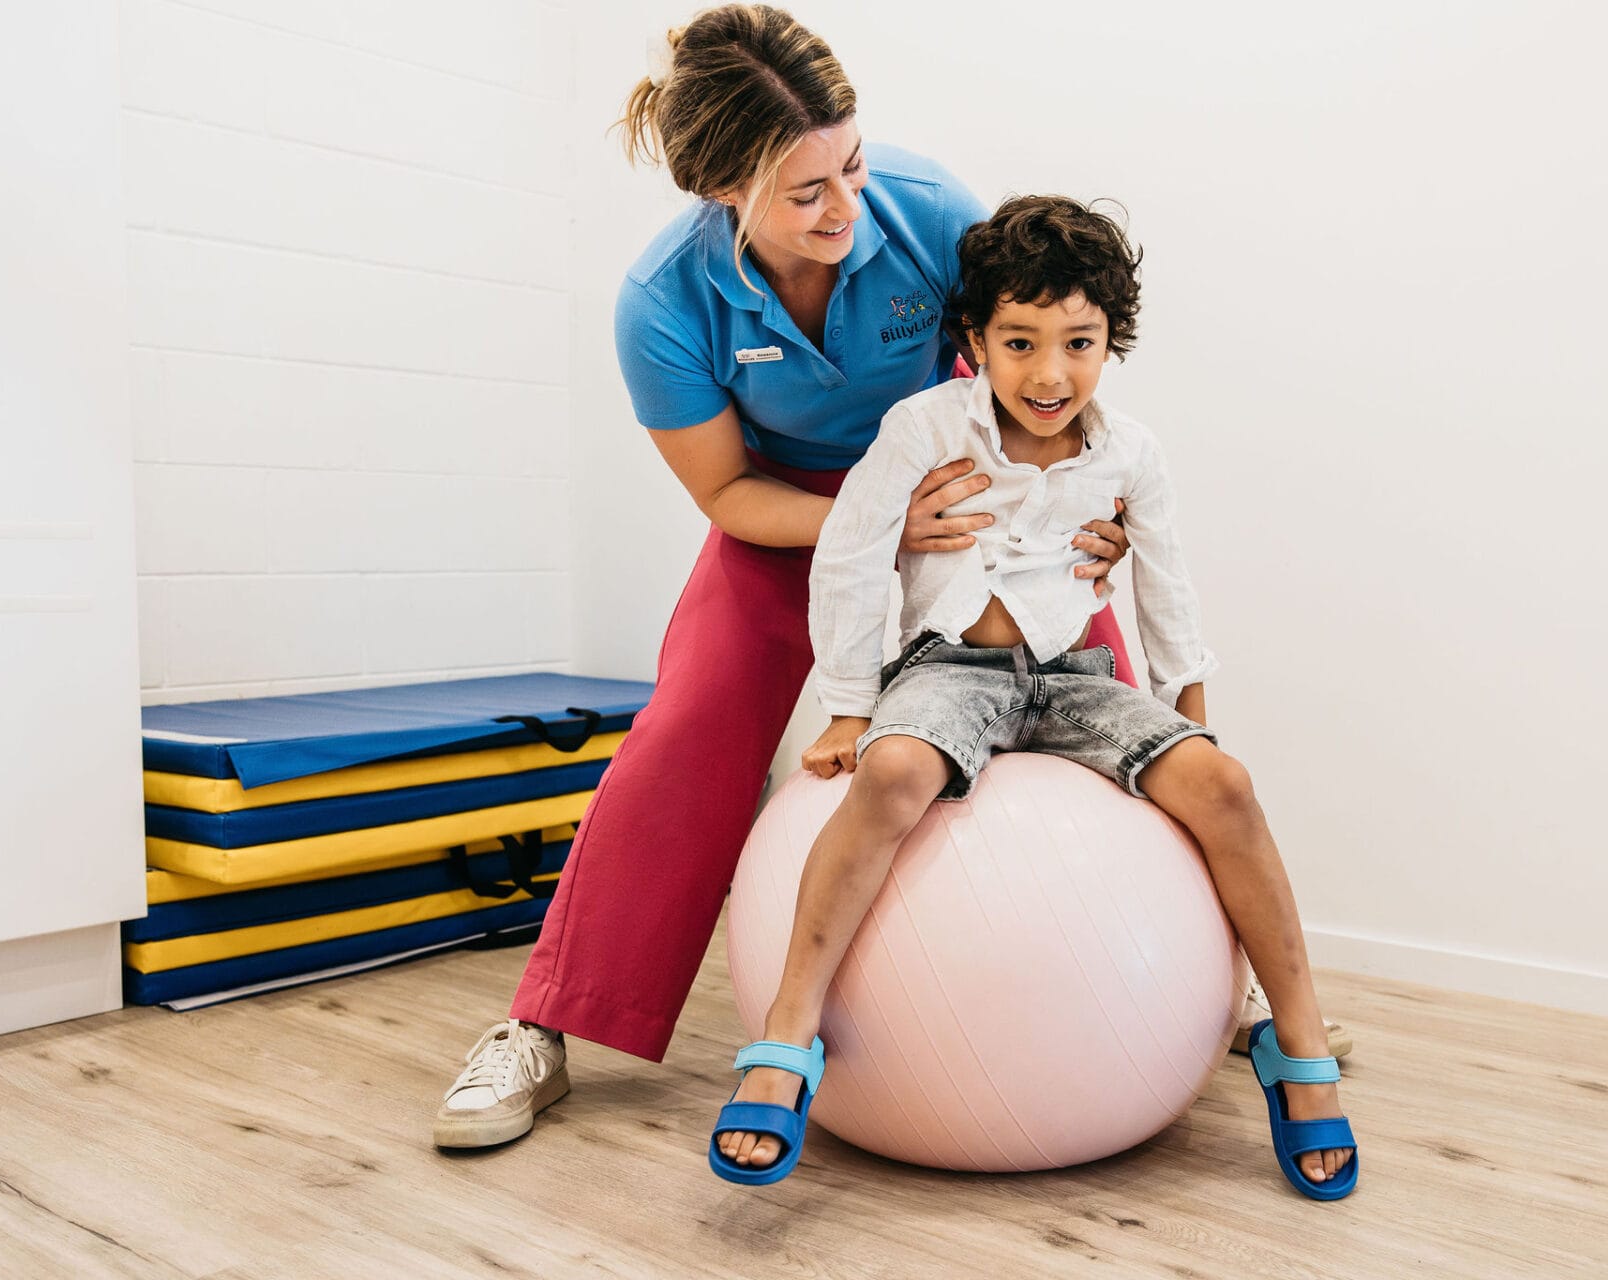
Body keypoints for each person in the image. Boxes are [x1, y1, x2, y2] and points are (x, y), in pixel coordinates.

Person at [430, 5, 1139, 1150]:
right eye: (807, 192)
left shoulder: (932, 214)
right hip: (789, 512)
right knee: (689, 725)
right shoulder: (662, 302)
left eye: (852, 165)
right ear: (722, 188)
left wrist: (1080, 504)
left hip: (959, 487)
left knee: (1111, 667)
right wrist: (868, 526)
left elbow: (1037, 367)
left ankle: (1221, 985)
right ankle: (543, 1026)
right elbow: (723, 494)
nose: (846, 208)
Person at [706, 196, 1359, 1200]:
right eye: (1020, 341)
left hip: (1075, 678)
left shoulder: (1131, 451)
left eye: (1079, 342)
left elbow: (1166, 578)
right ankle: (789, 1028)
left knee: (1223, 784)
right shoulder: (922, 426)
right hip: (948, 669)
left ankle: (1296, 1039)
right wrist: (847, 702)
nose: (1049, 373)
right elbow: (848, 555)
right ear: (975, 341)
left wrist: (1187, 703)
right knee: (890, 773)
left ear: (1111, 342)